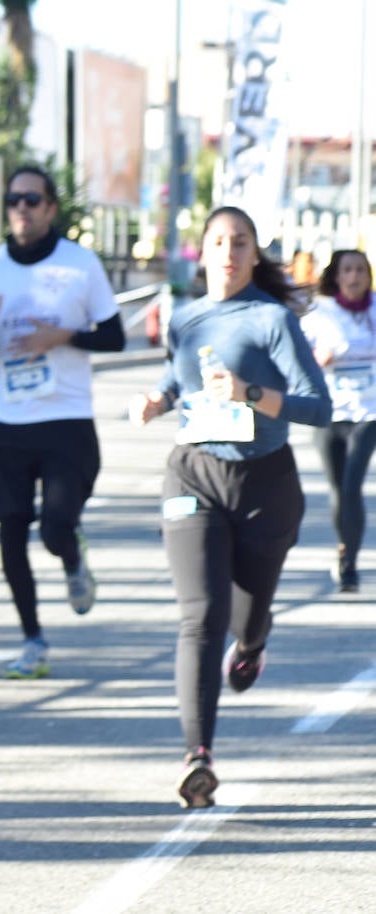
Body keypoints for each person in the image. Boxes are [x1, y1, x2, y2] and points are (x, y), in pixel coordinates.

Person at [129, 205, 330, 810]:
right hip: (194, 472)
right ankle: (199, 757)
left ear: (252, 253)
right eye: (218, 241)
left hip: (264, 485)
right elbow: (179, 376)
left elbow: (317, 407)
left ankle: (252, 645)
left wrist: (252, 395)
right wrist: (159, 399)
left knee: (245, 619)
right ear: (203, 250)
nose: (228, 251)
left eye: (239, 242)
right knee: (201, 615)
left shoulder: (271, 320)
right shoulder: (186, 317)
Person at [0, 165, 125, 680]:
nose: (22, 209)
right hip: (7, 420)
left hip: (65, 418)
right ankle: (32, 637)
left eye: (32, 200)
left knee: (54, 527)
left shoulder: (80, 265)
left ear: (51, 208)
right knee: (10, 535)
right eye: (14, 200)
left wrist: (63, 336)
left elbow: (115, 337)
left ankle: (71, 554)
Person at [300, 249, 376, 592]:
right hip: (330, 412)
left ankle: (350, 565)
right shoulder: (320, 313)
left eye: (361, 269)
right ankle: (342, 545)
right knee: (336, 489)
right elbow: (297, 361)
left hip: (368, 412)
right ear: (337, 276)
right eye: (348, 270)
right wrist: (319, 359)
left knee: (351, 485)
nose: (355, 276)